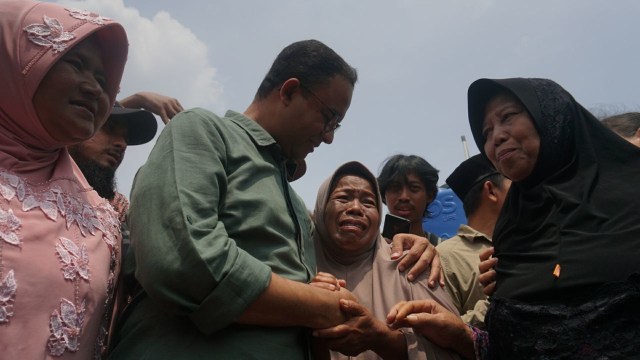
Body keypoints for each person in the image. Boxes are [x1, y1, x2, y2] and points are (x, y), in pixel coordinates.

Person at [389, 77, 640, 359]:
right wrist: (463, 333)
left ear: (551, 116)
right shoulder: (511, 234)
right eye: (485, 133)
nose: (496, 136)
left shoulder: (630, 196)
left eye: (508, 117)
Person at [0, 0, 128, 358]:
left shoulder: (103, 220)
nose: (94, 89)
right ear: (14, 66)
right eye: (75, 63)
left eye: (104, 81)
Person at [311, 161, 461, 360]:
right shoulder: (295, 264)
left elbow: (459, 350)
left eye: (368, 202)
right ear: (322, 207)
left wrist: (385, 339)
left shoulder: (412, 266)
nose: (356, 208)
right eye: (343, 198)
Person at [68, 92, 183, 223]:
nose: (122, 144)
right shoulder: (43, 167)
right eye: (110, 129)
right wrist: (138, 100)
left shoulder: (118, 209)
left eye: (126, 139)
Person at [436, 154, 510, 329]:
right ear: (491, 191)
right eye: (515, 185)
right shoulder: (445, 256)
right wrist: (501, 301)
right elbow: (441, 331)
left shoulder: (531, 241)